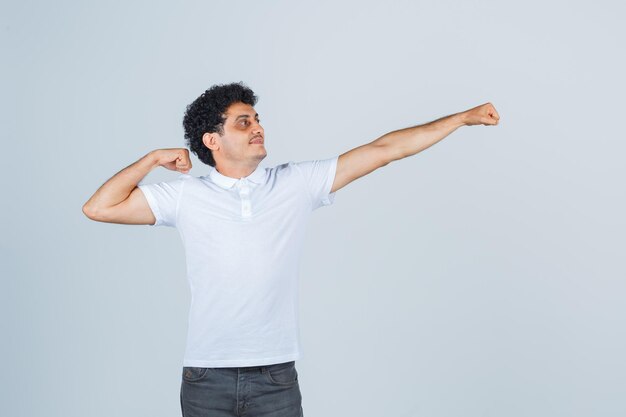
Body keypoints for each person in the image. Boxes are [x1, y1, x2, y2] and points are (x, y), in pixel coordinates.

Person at [82, 81, 500, 417]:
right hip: (205, 377)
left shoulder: (297, 183)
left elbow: (383, 151)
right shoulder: (184, 197)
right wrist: (153, 158)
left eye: (258, 119)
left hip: (275, 378)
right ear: (212, 139)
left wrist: (461, 119)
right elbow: (98, 207)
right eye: (243, 122)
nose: (258, 127)